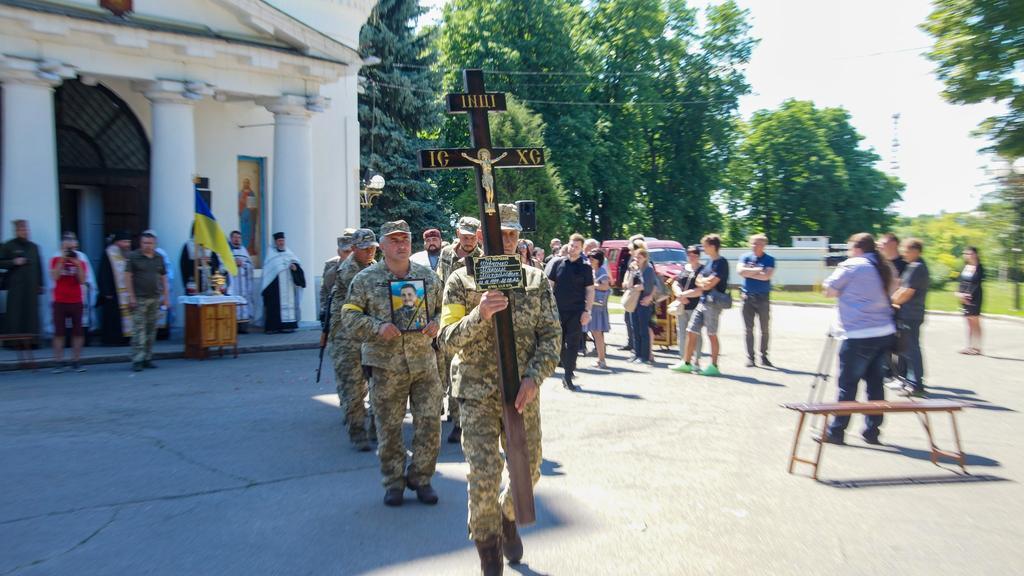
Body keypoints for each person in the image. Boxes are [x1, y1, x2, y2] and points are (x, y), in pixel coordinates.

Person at [438, 203, 561, 574]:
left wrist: (534, 377)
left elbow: (552, 337)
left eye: (511, 233)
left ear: (519, 237)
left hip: (521, 394)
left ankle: (507, 516)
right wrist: (481, 314)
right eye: (498, 233)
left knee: (531, 470)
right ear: (481, 238)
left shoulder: (536, 280)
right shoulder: (462, 280)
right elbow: (446, 339)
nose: (505, 240)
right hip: (476, 394)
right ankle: (489, 552)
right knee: (484, 474)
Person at [341, 220, 443, 507]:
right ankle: (394, 482)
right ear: (382, 246)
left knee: (429, 424)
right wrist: (376, 327)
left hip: (424, 363)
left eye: (405, 239)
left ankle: (422, 478)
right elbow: (348, 316)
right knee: (388, 428)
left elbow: (444, 310)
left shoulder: (429, 278)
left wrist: (436, 323)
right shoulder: (365, 279)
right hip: (386, 366)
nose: (401, 245)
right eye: (394, 240)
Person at [817, 233, 896, 445]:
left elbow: (829, 291)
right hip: (884, 332)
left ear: (857, 248)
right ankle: (872, 431)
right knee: (876, 384)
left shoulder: (852, 265)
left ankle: (837, 430)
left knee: (848, 384)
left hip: (858, 333)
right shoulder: (885, 266)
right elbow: (893, 291)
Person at [329, 229, 378, 451]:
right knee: (353, 385)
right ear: (354, 248)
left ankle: (377, 428)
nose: (370, 251)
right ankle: (357, 430)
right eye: (365, 248)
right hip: (347, 336)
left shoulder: (372, 266)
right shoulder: (349, 269)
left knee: (378, 382)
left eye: (373, 247)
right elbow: (371, 296)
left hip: (369, 332)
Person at [436, 216, 482, 444]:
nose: (468, 241)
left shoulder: (482, 259)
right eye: (465, 236)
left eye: (472, 237)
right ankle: (447, 412)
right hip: (446, 319)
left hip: (468, 322)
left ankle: (458, 422)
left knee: (458, 373)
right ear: (457, 234)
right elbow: (438, 282)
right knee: (443, 371)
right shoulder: (446, 254)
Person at [676, 234, 728, 376]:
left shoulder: (721, 263)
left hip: (713, 303)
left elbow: (710, 283)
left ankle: (714, 365)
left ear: (712, 246)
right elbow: (699, 280)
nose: (703, 249)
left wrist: (704, 282)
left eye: (705, 246)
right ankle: (686, 363)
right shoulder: (709, 263)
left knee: (711, 334)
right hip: (702, 301)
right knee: (691, 330)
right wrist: (704, 282)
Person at [547, 233, 594, 390]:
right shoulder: (558, 263)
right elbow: (549, 286)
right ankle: (567, 367)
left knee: (573, 344)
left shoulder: (585, 267)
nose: (572, 248)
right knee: (558, 343)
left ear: (581, 248)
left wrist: (587, 311)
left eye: (576, 246)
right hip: (557, 310)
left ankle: (568, 376)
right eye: (571, 245)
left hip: (576, 311)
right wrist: (546, 306)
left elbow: (590, 290)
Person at [124, 231, 169, 372]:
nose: (147, 246)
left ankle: (147, 358)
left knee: (151, 329)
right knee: (139, 330)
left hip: (154, 298)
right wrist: (131, 296)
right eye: (145, 243)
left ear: (154, 244)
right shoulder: (133, 257)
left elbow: (164, 278)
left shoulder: (159, 257)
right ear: (140, 243)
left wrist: (166, 297)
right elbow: (127, 277)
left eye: (150, 243)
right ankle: (137, 359)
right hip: (139, 298)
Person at [891, 238, 930, 397]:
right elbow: (901, 288)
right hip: (907, 314)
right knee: (906, 349)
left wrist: (890, 302)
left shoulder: (917, 268)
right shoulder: (913, 266)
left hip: (911, 315)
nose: (903, 253)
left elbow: (907, 292)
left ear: (915, 251)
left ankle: (916, 385)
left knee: (911, 349)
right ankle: (908, 381)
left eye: (906, 250)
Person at [49, 234, 89, 372]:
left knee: (78, 332)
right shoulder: (55, 259)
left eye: (72, 248)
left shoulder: (80, 261)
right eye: (67, 248)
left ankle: (76, 361)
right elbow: (55, 277)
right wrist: (62, 260)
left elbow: (83, 280)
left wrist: (77, 264)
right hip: (60, 300)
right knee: (59, 332)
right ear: (62, 247)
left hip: (76, 300)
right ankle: (58, 362)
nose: (70, 251)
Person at [0, 220, 43, 341]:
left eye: (26, 229)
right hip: (16, 286)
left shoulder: (34, 247)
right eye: (22, 229)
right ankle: (13, 342)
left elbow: (39, 266)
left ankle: (32, 342)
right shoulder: (8, 245)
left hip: (31, 286)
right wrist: (13, 262)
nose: (25, 232)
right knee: (15, 313)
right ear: (16, 231)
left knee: (31, 314)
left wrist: (40, 284)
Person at [737, 234, 775, 367]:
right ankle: (750, 357)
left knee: (764, 329)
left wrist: (750, 272)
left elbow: (766, 277)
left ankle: (764, 356)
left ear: (764, 245)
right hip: (747, 297)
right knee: (748, 329)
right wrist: (758, 270)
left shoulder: (769, 259)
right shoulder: (745, 257)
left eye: (758, 243)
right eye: (753, 243)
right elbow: (740, 272)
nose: (755, 246)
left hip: (763, 298)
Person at [52, 232, 97, 341]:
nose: (70, 242)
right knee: (62, 327)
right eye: (67, 239)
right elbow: (53, 277)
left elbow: (88, 276)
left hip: (80, 294)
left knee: (80, 324)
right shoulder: (56, 256)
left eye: (72, 239)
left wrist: (90, 287)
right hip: (61, 296)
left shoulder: (81, 256)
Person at [261, 232, 305, 333]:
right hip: (275, 287)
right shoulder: (271, 255)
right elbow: (268, 271)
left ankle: (289, 326)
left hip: (288, 286)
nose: (281, 242)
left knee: (289, 305)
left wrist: (295, 267)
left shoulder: (289, 253)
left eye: (282, 240)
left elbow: (297, 265)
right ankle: (274, 327)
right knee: (274, 306)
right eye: (279, 241)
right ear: (276, 242)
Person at [670, 246, 704, 372]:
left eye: (695, 254)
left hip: (696, 306)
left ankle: (697, 360)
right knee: (682, 333)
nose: (692, 256)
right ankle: (683, 359)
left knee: (696, 334)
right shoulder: (685, 268)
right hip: (682, 306)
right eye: (689, 253)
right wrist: (679, 294)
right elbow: (676, 283)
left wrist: (685, 295)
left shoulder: (702, 270)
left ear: (699, 255)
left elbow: (701, 290)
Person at [98, 231, 133, 346]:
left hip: (127, 292)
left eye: (128, 242)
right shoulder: (109, 253)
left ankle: (126, 338)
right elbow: (103, 273)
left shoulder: (129, 254)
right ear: (117, 242)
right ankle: (112, 340)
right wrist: (106, 291)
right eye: (124, 242)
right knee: (113, 318)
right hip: (113, 292)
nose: (127, 244)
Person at [627, 247, 657, 365]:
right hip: (634, 301)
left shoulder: (648, 269)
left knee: (643, 329)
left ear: (645, 258)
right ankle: (637, 354)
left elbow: (646, 286)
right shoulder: (636, 269)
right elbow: (629, 285)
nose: (637, 259)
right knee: (635, 328)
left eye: (639, 257)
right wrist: (632, 271)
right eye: (636, 257)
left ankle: (644, 356)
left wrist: (637, 287)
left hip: (644, 301)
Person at [320, 229, 355, 326]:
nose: (350, 255)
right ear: (339, 251)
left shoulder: (367, 263)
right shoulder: (331, 265)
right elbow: (325, 290)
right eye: (346, 251)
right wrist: (324, 309)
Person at [954, 246, 984, 355]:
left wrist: (968, 296)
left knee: (975, 322)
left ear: (976, 255)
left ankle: (977, 347)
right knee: (968, 322)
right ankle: (969, 346)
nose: (967, 256)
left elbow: (976, 283)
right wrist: (959, 294)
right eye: (965, 253)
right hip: (964, 297)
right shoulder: (965, 267)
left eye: (970, 253)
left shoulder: (979, 267)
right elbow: (961, 282)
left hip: (974, 297)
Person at [587, 249, 611, 369]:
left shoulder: (601, 271)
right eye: (590, 257)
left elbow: (605, 285)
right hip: (594, 305)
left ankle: (602, 360)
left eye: (593, 257)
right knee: (596, 333)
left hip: (597, 307)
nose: (591, 259)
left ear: (599, 260)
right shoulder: (593, 270)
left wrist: (592, 285)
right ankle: (601, 359)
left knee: (597, 333)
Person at [228, 230, 255, 332]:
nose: (237, 239)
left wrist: (244, 265)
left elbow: (250, 266)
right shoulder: (228, 251)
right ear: (231, 239)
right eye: (235, 237)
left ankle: (243, 327)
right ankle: (233, 328)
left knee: (244, 305)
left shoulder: (244, 251)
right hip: (233, 284)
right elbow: (222, 267)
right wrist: (233, 263)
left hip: (243, 284)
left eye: (239, 238)